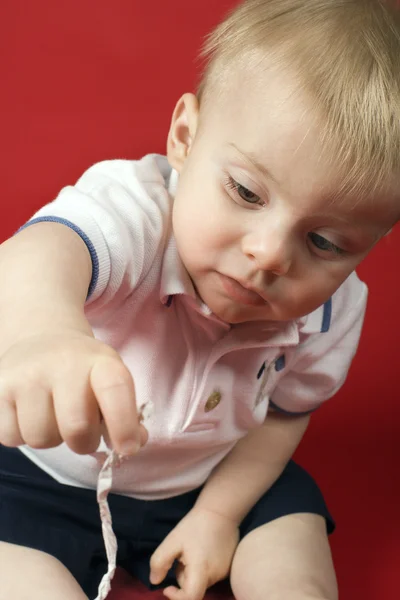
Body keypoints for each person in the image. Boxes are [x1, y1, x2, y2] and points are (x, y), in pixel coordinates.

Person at [0, 0, 399, 599]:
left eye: (324, 242)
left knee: (292, 531)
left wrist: (218, 515)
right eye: (245, 191)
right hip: (42, 471)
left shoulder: (330, 310)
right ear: (185, 138)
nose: (268, 254)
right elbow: (40, 253)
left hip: (207, 475)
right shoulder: (135, 214)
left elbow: (284, 415)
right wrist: (41, 330)